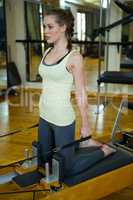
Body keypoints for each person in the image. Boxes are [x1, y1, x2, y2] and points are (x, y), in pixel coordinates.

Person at [38, 8, 116, 172]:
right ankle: (83, 143)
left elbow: (81, 93)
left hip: (62, 118)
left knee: (67, 168)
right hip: (44, 114)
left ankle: (104, 151)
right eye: (44, 26)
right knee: (43, 161)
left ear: (63, 27)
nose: (45, 31)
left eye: (50, 27)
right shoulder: (47, 52)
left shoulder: (74, 57)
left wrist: (85, 124)